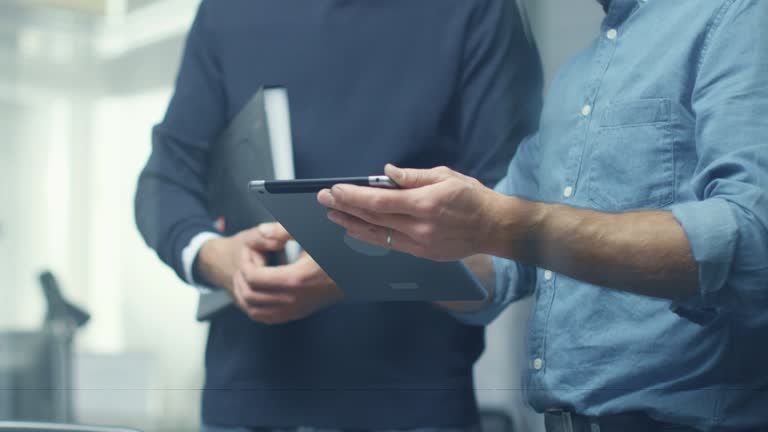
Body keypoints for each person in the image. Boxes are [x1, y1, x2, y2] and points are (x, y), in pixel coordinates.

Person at [319, 0, 768, 431]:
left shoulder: (738, 16)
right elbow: (498, 269)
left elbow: (752, 241)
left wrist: (496, 225)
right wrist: (382, 238)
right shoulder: (574, 80)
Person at [134, 1, 542, 431]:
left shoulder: (476, 10)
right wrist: (214, 258)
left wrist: (350, 268)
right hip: (244, 408)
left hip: (410, 409)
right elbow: (164, 181)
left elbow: (515, 220)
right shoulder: (227, 10)